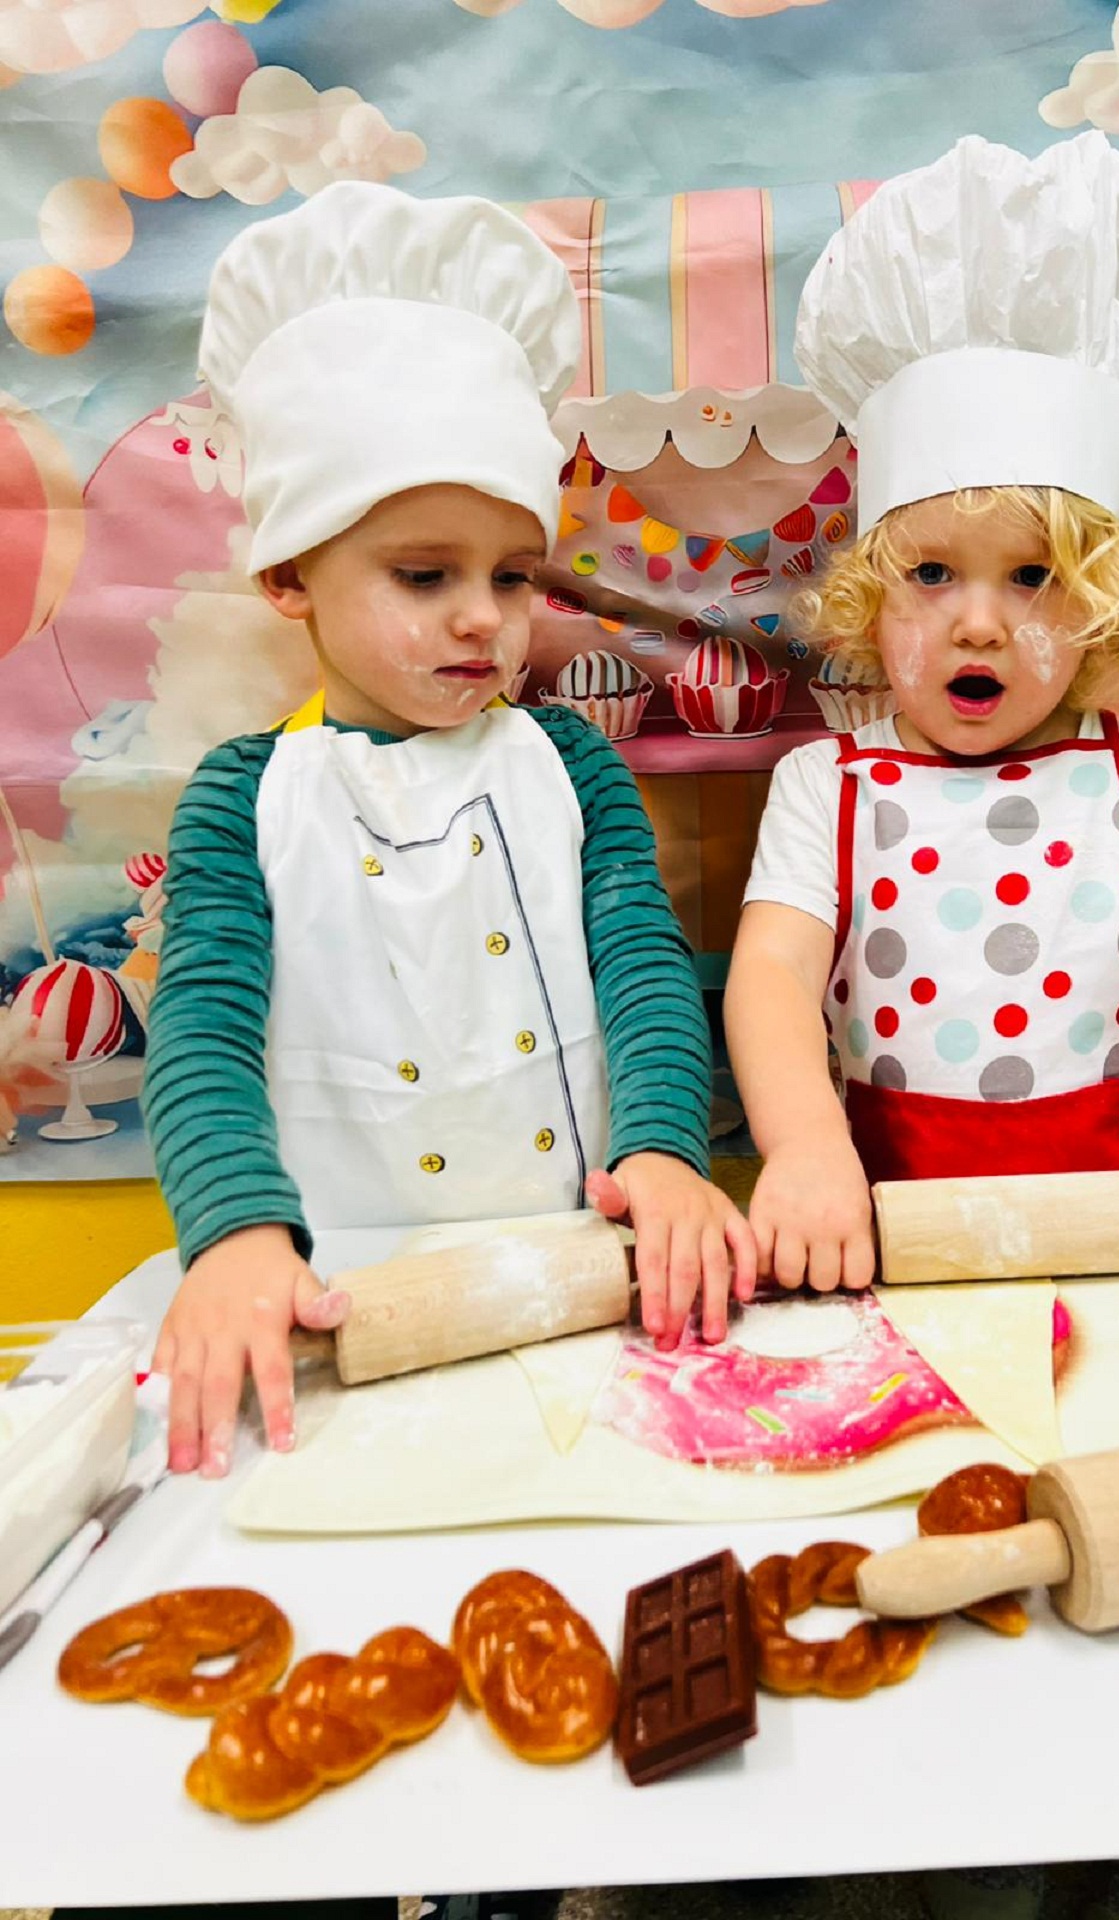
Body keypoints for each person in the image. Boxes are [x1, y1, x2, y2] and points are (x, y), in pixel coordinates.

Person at [145, 181, 754, 1477]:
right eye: (425, 575)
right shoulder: (244, 796)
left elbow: (644, 974)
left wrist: (662, 1154)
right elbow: (201, 1033)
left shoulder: (571, 768)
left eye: (512, 576)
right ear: (290, 574)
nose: (484, 616)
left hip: (578, 1276)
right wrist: (235, 1236)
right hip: (338, 1300)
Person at [725, 132, 1119, 1294]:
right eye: (932, 574)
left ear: (1102, 606)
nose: (979, 624)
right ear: (871, 598)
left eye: (1034, 578)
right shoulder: (826, 787)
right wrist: (801, 1149)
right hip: (885, 1256)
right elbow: (773, 975)